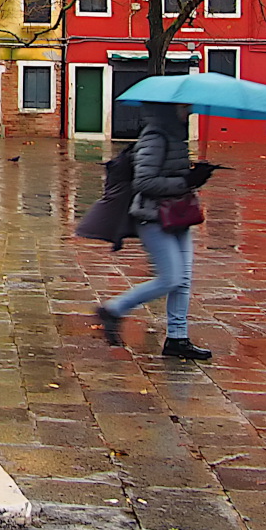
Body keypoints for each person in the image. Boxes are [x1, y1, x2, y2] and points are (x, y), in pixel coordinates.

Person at [94, 103, 216, 359]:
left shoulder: (175, 136)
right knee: (170, 278)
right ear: (170, 108)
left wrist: (196, 175)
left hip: (178, 214)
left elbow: (170, 173)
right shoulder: (155, 137)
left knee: (183, 280)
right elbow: (144, 182)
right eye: (185, 106)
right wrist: (186, 181)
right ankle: (113, 310)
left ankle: (177, 339)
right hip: (153, 217)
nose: (190, 109)